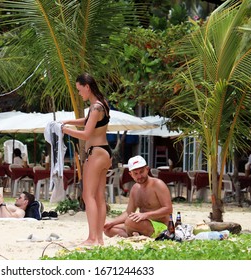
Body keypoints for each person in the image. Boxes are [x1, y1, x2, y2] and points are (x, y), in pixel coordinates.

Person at [61, 73, 112, 246]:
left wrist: (65, 130)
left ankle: (92, 238)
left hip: (95, 153)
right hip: (105, 152)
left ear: (87, 87)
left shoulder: (95, 107)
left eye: (79, 89)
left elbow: (86, 133)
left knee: (87, 195)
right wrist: (68, 121)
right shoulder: (102, 104)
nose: (79, 93)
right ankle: (99, 239)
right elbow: (89, 121)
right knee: (99, 197)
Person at [104, 155, 173, 239]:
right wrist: (112, 223)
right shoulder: (135, 188)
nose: (139, 176)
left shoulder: (157, 184)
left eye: (141, 172)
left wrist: (146, 215)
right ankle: (136, 235)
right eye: (135, 173)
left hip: (161, 226)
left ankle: (135, 233)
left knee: (130, 222)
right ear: (131, 174)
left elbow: (168, 209)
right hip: (141, 224)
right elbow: (128, 212)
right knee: (108, 230)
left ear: (147, 169)